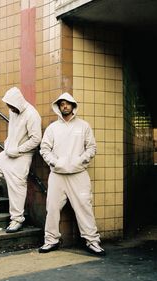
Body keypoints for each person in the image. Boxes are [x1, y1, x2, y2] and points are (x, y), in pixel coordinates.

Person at [38, 92, 105, 256]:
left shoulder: (83, 126)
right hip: (57, 175)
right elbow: (44, 149)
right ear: (58, 107)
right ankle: (51, 241)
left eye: (67, 103)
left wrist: (80, 161)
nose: (65, 106)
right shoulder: (53, 128)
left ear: (73, 106)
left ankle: (92, 241)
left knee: (84, 207)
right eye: (61, 104)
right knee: (52, 208)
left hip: (78, 175)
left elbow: (91, 148)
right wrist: (55, 162)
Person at [0, 87, 42, 233]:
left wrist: (18, 150)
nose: (9, 108)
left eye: (11, 105)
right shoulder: (13, 111)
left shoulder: (32, 114)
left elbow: (36, 139)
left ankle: (17, 220)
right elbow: (13, 131)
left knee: (16, 186)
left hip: (23, 155)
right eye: (8, 105)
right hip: (8, 152)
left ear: (18, 102)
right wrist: (8, 144)